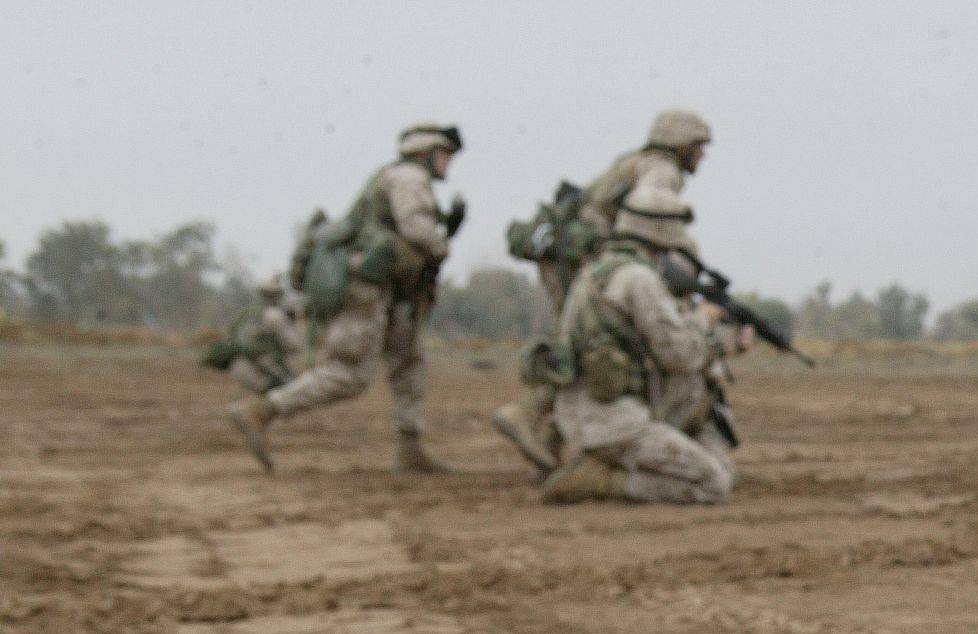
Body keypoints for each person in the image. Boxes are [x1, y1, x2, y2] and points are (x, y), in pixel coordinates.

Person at [228, 123, 463, 474]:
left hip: (391, 292)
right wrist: (441, 244)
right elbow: (416, 228)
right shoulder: (409, 177)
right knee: (349, 373)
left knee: (408, 362)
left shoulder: (397, 176)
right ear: (427, 153)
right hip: (367, 290)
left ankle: (410, 446)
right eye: (445, 155)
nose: (449, 164)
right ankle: (263, 409)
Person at [492, 107, 714, 476]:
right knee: (590, 344)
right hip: (586, 259)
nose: (703, 156)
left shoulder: (635, 161)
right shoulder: (662, 172)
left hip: (571, 256)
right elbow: (652, 221)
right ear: (681, 145)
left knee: (584, 342)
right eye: (699, 147)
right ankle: (529, 414)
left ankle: (548, 443)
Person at [538, 182, 736, 506]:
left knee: (716, 462)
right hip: (615, 424)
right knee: (714, 483)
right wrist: (706, 322)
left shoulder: (596, 270)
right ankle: (603, 480)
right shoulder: (639, 279)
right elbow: (681, 355)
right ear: (663, 231)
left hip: (586, 415)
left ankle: (603, 464)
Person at [201, 277, 303, 395]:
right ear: (278, 295)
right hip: (269, 370)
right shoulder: (274, 315)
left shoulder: (246, 314)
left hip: (240, 369)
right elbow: (294, 345)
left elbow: (231, 336)